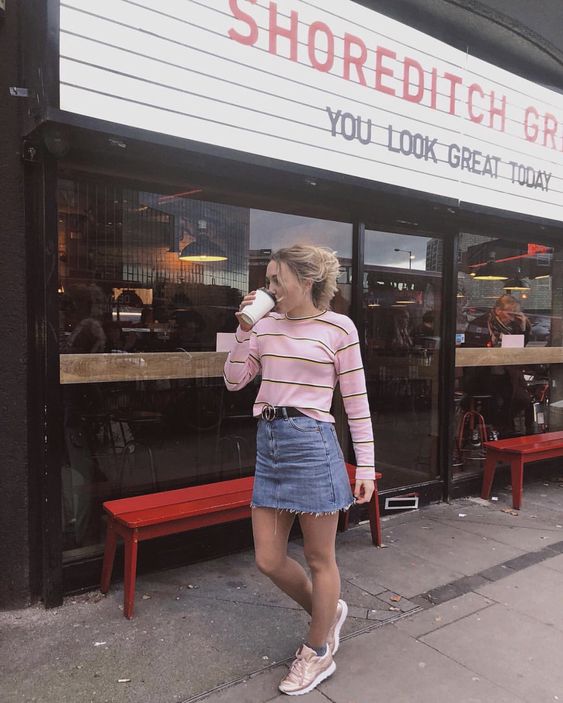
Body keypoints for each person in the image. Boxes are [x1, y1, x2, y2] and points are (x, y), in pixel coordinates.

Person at [223, 245, 375, 696]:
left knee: (318, 558)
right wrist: (242, 331)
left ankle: (317, 650)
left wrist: (365, 463)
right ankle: (328, 614)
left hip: (313, 444)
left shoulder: (338, 328)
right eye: (267, 280)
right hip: (269, 443)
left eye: (276, 281)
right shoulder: (264, 325)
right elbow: (234, 380)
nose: (268, 289)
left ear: (306, 281)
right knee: (268, 558)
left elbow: (356, 401)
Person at [463, 294, 533, 437]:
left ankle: (501, 425)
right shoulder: (480, 324)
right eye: (510, 313)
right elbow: (471, 350)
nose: (513, 317)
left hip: (506, 372)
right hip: (481, 373)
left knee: (522, 398)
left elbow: (521, 346)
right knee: (499, 398)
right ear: (498, 311)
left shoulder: (514, 325)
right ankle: (500, 428)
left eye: (516, 313)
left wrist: (524, 327)